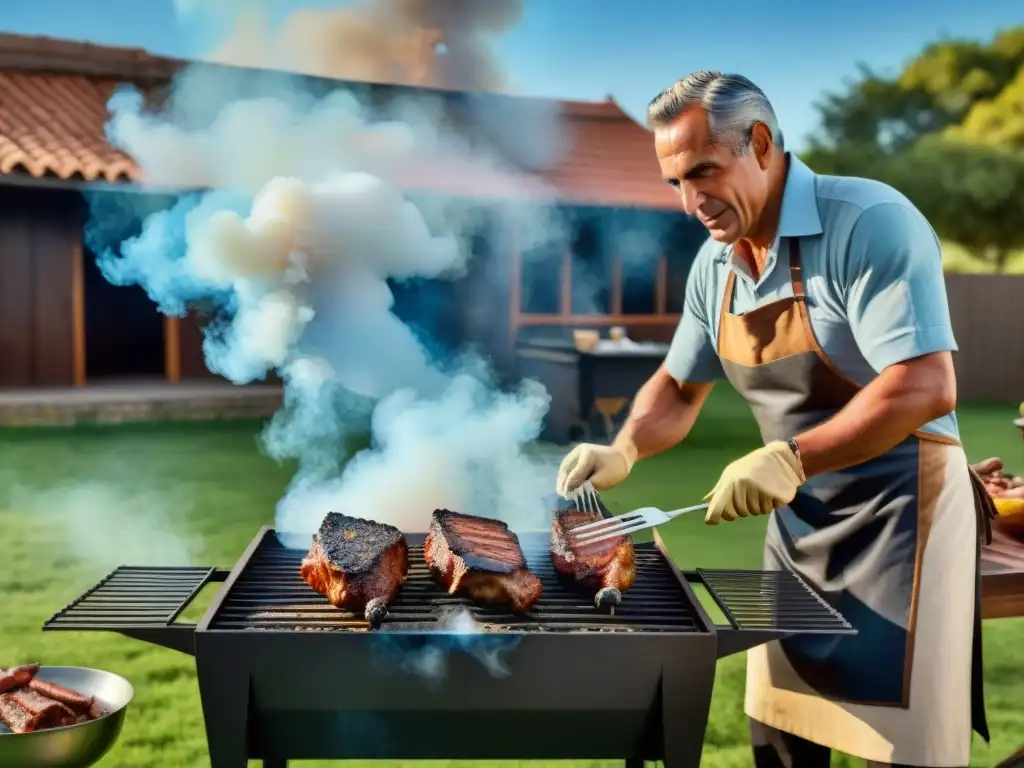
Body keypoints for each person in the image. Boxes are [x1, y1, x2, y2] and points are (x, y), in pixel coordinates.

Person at [556, 71, 993, 768]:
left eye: (703, 171)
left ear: (760, 143)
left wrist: (788, 458)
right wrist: (626, 448)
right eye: (675, 183)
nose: (691, 201)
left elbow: (923, 385)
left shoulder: (868, 222)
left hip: (906, 516)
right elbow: (676, 385)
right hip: (798, 523)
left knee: (905, 749)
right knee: (782, 733)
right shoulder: (714, 267)